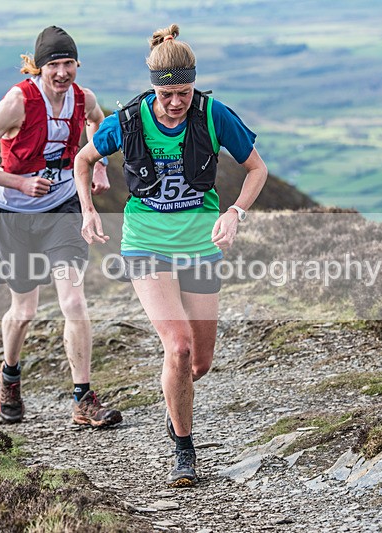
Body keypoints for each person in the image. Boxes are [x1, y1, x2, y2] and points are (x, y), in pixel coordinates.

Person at [74, 24, 268, 487]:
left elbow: (257, 169)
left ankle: (174, 401)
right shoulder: (128, 120)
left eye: (184, 92)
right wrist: (88, 210)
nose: (176, 102)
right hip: (146, 244)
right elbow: (83, 160)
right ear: (153, 88)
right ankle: (184, 449)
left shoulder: (214, 115)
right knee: (177, 347)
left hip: (201, 246)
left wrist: (235, 212)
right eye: (167, 94)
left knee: (198, 363)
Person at [0, 26, 121, 427]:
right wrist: (19, 183)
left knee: (74, 301)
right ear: (39, 67)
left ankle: (83, 399)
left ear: (77, 64)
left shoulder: (83, 99)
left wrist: (99, 164)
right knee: (25, 309)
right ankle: (10, 375)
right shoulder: (17, 103)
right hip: (11, 214)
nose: (62, 73)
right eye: (54, 65)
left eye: (69, 63)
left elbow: (98, 123)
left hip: (61, 207)